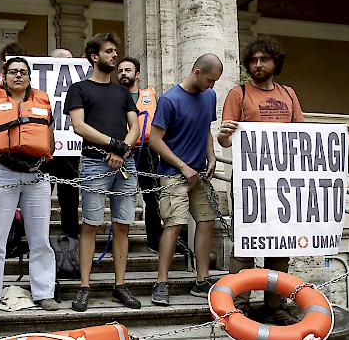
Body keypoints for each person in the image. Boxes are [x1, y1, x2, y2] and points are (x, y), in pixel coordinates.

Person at [217, 36, 304, 324]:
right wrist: (224, 134)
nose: (257, 64)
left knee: (281, 244)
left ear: (275, 62)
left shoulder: (288, 94)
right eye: (253, 60)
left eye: (263, 59)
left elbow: (302, 138)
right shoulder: (238, 94)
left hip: (282, 182)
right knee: (244, 243)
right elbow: (225, 142)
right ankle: (237, 306)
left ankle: (274, 305)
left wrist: (342, 136)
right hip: (248, 183)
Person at [0, 57, 58, 312]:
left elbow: (50, 140)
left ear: (30, 77)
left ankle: (44, 293)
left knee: (40, 238)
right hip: (2, 173)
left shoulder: (43, 103)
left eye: (23, 72)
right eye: (13, 72)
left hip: (36, 175)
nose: (18, 76)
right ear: (4, 77)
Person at [63, 33, 141, 312]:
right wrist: (113, 144)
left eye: (115, 51)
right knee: (91, 224)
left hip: (125, 164)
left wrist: (122, 149)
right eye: (109, 51)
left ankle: (120, 285)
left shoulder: (122, 91)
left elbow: (135, 126)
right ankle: (84, 286)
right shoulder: (79, 88)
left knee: (123, 225)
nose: (114, 56)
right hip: (95, 162)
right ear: (95, 56)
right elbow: (79, 126)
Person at [149, 53, 222, 306]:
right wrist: (182, 166)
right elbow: (154, 140)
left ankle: (202, 280)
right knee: (174, 223)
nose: (213, 86)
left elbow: (206, 131)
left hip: (200, 174)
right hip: (173, 175)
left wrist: (211, 157)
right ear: (197, 73)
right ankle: (161, 283)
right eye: (211, 80)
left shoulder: (209, 96)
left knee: (206, 220)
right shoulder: (170, 100)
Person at [117, 57, 163, 253]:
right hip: (121, 150)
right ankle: (120, 243)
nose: (123, 74)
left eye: (127, 70)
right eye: (120, 71)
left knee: (152, 197)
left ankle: (155, 241)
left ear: (137, 75)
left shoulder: (151, 97)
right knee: (119, 196)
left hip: (147, 150)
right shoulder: (113, 97)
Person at [41, 48, 80, 244]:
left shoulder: (79, 85)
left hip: (70, 151)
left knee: (70, 199)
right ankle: (39, 240)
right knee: (40, 197)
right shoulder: (38, 86)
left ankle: (71, 242)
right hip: (44, 150)